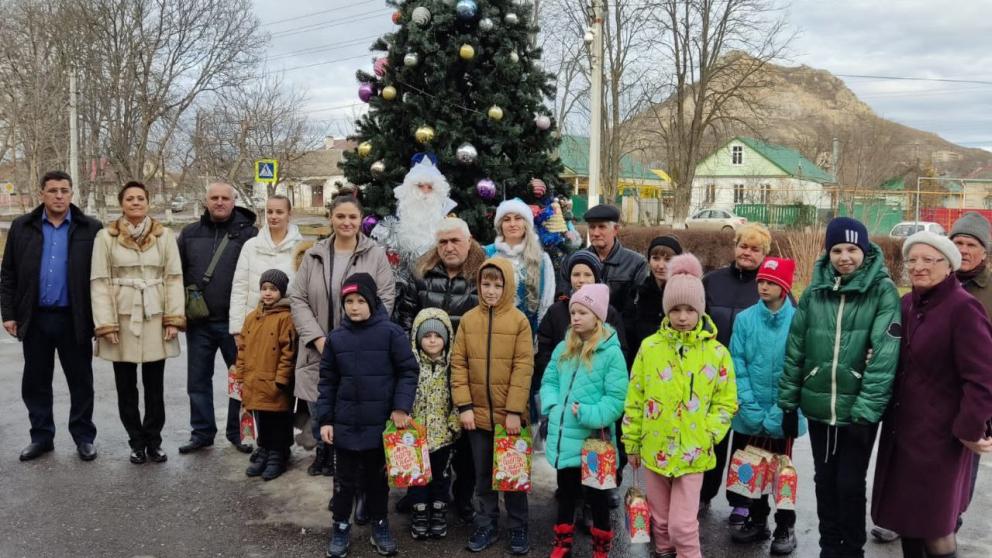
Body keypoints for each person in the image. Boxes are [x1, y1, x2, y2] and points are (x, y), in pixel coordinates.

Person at [778, 216, 901, 558]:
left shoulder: (882, 291)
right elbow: (796, 347)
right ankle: (829, 546)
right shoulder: (815, 290)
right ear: (828, 252)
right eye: (837, 249)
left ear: (864, 249)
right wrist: (788, 403)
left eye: (851, 249)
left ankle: (852, 549)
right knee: (824, 481)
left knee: (849, 483)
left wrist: (866, 412)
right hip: (819, 406)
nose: (844, 256)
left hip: (857, 410)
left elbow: (884, 356)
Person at [871, 232, 992, 558]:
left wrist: (970, 431)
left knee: (936, 528)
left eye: (929, 260)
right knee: (908, 521)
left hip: (940, 443)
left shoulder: (964, 309)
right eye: (912, 260)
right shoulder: (908, 303)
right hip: (903, 435)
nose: (918, 267)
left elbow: (982, 378)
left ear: (948, 265)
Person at [623, 253, 738, 558]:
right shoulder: (650, 348)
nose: (683, 316)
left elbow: (726, 401)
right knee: (659, 521)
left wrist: (709, 432)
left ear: (700, 310)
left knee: (682, 526)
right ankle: (664, 552)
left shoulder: (716, 353)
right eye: (676, 309)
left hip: (693, 450)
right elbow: (635, 397)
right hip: (653, 446)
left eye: (690, 309)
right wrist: (631, 442)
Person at [290, 194, 394, 497]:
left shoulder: (375, 254)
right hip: (319, 345)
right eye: (340, 217)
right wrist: (318, 338)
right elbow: (298, 298)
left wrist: (364, 335)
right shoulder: (314, 255)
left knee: (353, 401)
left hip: (360, 347)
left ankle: (347, 456)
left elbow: (385, 297)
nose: (346, 223)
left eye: (352, 217)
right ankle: (323, 449)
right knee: (319, 400)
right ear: (331, 219)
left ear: (360, 220)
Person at [1, 170, 102, 462]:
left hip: (75, 318)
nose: (59, 195)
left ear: (72, 194)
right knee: (35, 381)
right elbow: (8, 274)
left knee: (81, 381)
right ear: (42, 193)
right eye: (53, 190)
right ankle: (42, 437)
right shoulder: (22, 227)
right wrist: (8, 313)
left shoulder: (90, 228)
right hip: (35, 318)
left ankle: (84, 437)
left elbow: (101, 277)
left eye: (65, 190)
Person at [318, 273, 418, 558]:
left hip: (380, 425)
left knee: (377, 481)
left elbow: (407, 372)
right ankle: (340, 526)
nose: (354, 306)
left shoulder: (391, 333)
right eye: (348, 301)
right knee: (343, 482)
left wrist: (401, 407)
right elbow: (327, 382)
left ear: (372, 301)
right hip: (346, 425)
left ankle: (380, 524)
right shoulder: (336, 338)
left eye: (361, 300)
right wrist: (325, 420)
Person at [395, 216, 484, 523]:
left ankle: (462, 496)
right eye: (443, 242)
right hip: (426, 368)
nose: (448, 247)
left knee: (461, 437)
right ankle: (418, 492)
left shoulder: (481, 273)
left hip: (465, 369)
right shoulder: (421, 272)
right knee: (424, 433)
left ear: (469, 240)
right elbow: (405, 315)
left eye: (455, 241)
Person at [90, 181, 185, 465]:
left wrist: (173, 318)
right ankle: (136, 442)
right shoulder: (105, 236)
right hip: (122, 317)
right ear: (121, 203)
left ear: (148, 202)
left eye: (140, 198)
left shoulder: (164, 235)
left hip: (155, 316)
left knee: (155, 386)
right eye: (129, 198)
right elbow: (99, 281)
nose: (135, 202)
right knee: (126, 386)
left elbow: (174, 277)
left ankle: (154, 441)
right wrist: (106, 323)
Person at [450, 258, 534, 555]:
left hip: (508, 418)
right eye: (486, 284)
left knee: (512, 476)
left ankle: (518, 526)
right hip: (478, 417)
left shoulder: (519, 321)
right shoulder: (469, 320)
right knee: (483, 474)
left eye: (498, 285)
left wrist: (514, 411)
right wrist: (464, 406)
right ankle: (486, 523)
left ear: (508, 286)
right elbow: (458, 364)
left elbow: (524, 367)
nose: (491, 291)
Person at [541, 283, 628, 558]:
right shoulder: (563, 347)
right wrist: (553, 406)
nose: (576, 317)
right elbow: (550, 380)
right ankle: (562, 542)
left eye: (583, 312)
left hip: (593, 440)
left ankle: (601, 544)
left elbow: (616, 398)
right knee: (566, 492)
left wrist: (591, 414)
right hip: (566, 437)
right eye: (573, 312)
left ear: (598, 316)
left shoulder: (611, 353)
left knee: (597, 497)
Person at [727, 257, 803, 554]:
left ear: (784, 287)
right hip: (750, 411)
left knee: (781, 472)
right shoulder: (745, 320)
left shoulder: (798, 321)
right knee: (753, 466)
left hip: (783, 413)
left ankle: (785, 523)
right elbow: (737, 363)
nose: (763, 286)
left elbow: (799, 366)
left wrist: (781, 409)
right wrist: (750, 406)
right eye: (761, 281)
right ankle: (758, 519)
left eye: (771, 282)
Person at [177, 181, 258, 454]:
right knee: (197, 381)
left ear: (234, 201)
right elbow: (178, 275)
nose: (220, 202)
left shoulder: (249, 235)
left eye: (225, 198)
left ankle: (237, 433)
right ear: (206, 201)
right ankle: (202, 433)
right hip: (199, 322)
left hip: (235, 324)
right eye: (214, 197)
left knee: (239, 381)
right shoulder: (189, 234)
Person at [699, 222, 769, 520]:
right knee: (711, 438)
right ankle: (701, 494)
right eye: (743, 246)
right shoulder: (712, 281)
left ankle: (742, 501)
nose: (747, 253)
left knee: (745, 442)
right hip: (710, 376)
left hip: (749, 379)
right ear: (735, 247)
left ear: (764, 254)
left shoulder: (769, 286)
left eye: (755, 249)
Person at [237, 269, 297, 481]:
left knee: (278, 418)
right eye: (264, 289)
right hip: (255, 380)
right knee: (261, 416)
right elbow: (242, 347)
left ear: (281, 292)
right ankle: (264, 448)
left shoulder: (285, 317)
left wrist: (281, 378)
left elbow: (288, 351)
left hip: (275, 381)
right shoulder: (252, 318)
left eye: (273, 289)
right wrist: (240, 373)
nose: (268, 293)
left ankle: (278, 453)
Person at [407, 308, 460, 540]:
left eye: (438, 336)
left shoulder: (451, 368)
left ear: (446, 339)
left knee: (441, 476)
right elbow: (402, 394)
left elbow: (459, 398)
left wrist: (453, 424)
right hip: (415, 435)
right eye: (427, 335)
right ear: (418, 338)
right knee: (417, 478)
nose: (432, 340)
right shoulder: (410, 366)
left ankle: (438, 511)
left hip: (442, 437)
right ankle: (419, 511)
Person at [229, 195, 302, 337]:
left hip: (287, 327)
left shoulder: (301, 248)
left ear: (289, 214)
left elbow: (304, 293)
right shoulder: (251, 246)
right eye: (270, 211)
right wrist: (237, 329)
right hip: (254, 326)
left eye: (279, 212)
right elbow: (240, 288)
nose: (273, 216)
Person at [484, 198, 556, 332]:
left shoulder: (542, 260)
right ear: (500, 225)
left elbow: (546, 302)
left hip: (526, 334)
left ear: (526, 224)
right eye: (506, 219)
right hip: (492, 333)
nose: (512, 224)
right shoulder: (488, 255)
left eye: (518, 218)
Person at [581, 204, 647, 316]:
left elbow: (638, 306)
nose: (596, 233)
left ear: (615, 230)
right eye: (592, 227)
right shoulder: (578, 261)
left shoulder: (636, 263)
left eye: (602, 227)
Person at [624, 235, 683, 356]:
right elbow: (628, 335)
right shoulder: (637, 294)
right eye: (656, 258)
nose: (660, 266)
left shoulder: (686, 294)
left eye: (668, 260)